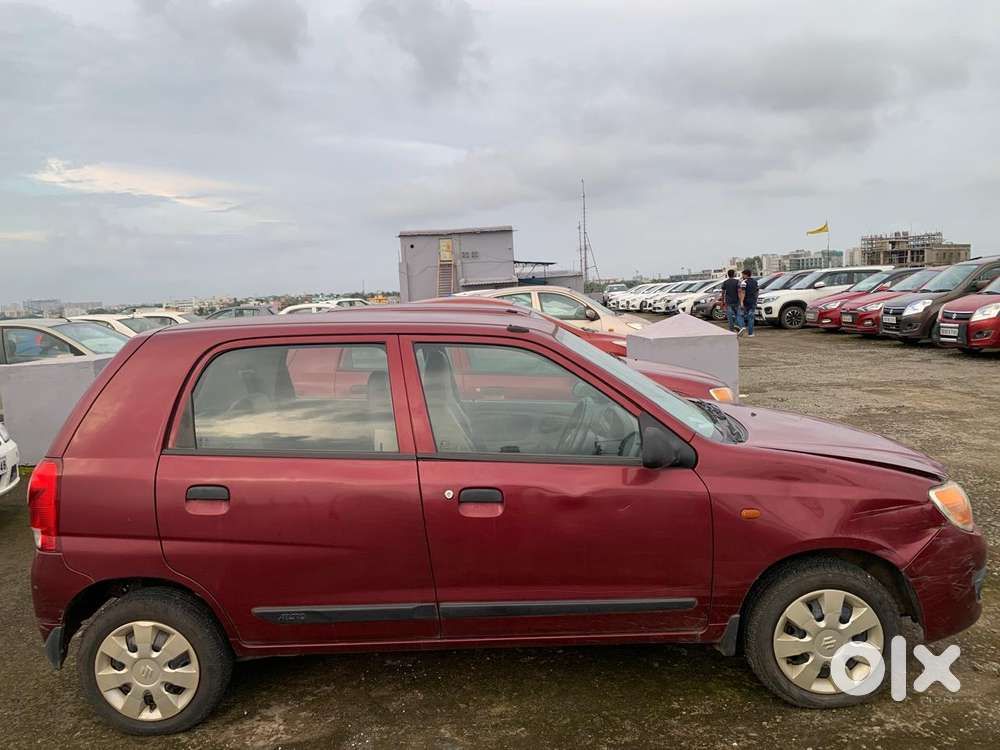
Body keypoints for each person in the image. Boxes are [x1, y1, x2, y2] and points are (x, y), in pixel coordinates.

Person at [721, 269, 744, 335]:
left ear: (728, 274)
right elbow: (739, 291)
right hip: (736, 301)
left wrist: (722, 302)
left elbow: (723, 293)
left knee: (730, 317)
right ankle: (739, 328)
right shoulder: (737, 282)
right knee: (738, 315)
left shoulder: (725, 282)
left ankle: (731, 331)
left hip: (728, 302)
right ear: (733, 274)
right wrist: (741, 301)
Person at [739, 268, 759, 337]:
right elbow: (757, 292)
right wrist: (756, 300)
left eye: (743, 275)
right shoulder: (755, 282)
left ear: (746, 275)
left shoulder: (744, 282)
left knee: (742, 316)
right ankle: (750, 333)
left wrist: (741, 302)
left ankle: (742, 327)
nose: (742, 276)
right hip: (753, 301)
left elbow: (743, 292)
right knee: (751, 317)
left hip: (746, 302)